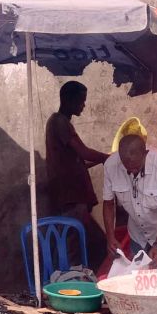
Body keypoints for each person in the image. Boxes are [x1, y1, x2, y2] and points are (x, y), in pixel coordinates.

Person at [45, 81, 108, 268]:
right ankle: (68, 283)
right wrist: (109, 157)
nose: (83, 105)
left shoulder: (60, 123)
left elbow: (79, 161)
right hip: (71, 196)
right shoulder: (59, 122)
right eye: (81, 101)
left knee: (73, 241)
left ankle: (68, 279)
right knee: (74, 243)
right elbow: (84, 152)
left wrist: (103, 159)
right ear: (69, 100)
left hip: (71, 196)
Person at [102, 134, 157, 271]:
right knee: (138, 275)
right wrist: (110, 237)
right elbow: (108, 203)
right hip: (138, 230)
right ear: (120, 158)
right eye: (127, 167)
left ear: (145, 153)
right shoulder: (111, 166)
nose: (131, 171)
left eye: (136, 167)